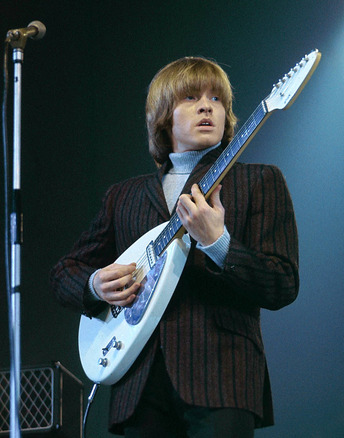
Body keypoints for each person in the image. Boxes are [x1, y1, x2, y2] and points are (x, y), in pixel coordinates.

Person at [49, 56, 299, 437]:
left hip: (222, 379)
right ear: (163, 118)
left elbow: (282, 283)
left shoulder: (260, 180)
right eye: (190, 98)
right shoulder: (124, 196)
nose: (206, 106)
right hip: (138, 384)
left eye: (216, 99)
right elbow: (64, 272)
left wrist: (219, 243)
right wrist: (95, 284)